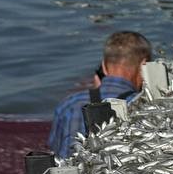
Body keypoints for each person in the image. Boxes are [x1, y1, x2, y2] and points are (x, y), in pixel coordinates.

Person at [48, 31, 150, 159]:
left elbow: (56, 153)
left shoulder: (69, 104)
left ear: (103, 65)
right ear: (144, 65)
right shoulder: (144, 107)